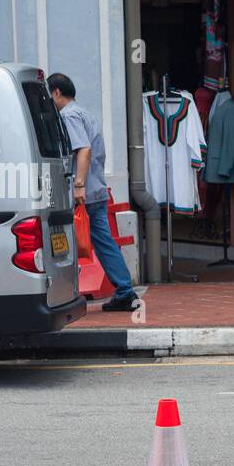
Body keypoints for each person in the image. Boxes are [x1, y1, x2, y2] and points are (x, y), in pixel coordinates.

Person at [48, 73, 139, 311]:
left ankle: (64, 291)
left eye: (50, 94)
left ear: (56, 92)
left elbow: (84, 150)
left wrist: (78, 185)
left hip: (82, 192)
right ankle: (125, 290)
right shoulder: (85, 113)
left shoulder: (68, 116)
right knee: (103, 241)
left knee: (63, 242)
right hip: (95, 189)